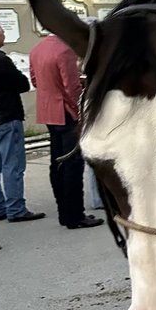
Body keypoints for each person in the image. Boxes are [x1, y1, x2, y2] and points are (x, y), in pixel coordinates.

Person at [29, 32, 102, 230]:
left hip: (48, 111)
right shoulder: (65, 50)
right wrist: (81, 111)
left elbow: (35, 80)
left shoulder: (38, 48)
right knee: (73, 164)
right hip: (66, 113)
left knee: (57, 162)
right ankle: (75, 215)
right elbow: (72, 88)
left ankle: (64, 212)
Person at [0, 19, 44, 223]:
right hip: (6, 118)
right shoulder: (0, 59)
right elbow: (22, 84)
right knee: (12, 165)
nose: (3, 35)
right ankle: (15, 209)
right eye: (1, 32)